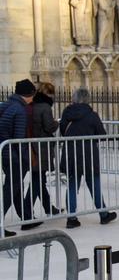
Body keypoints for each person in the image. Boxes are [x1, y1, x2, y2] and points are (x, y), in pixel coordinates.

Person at [59, 88, 117, 228]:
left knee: (72, 186)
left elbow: (62, 131)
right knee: (94, 185)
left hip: (71, 154)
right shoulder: (92, 115)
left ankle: (71, 218)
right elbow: (101, 134)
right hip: (89, 155)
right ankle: (103, 214)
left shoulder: (67, 113)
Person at [0, 79, 41, 236]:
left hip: (5, 153)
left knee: (14, 188)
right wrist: (26, 160)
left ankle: (26, 218)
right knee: (10, 190)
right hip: (14, 156)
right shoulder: (20, 110)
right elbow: (19, 139)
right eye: (33, 94)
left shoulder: (6, 105)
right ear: (28, 94)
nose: (33, 98)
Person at [29, 82, 60, 216]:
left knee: (39, 179)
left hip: (33, 146)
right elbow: (49, 127)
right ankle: (26, 211)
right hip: (42, 148)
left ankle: (48, 208)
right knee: (37, 181)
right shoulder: (45, 107)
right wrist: (56, 123)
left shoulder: (33, 105)